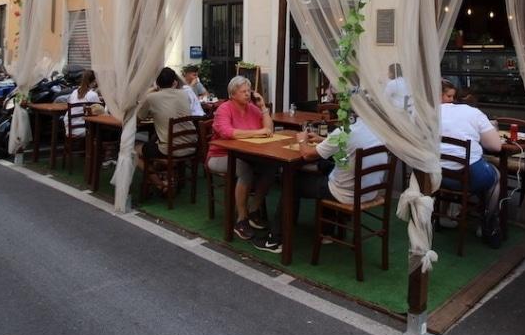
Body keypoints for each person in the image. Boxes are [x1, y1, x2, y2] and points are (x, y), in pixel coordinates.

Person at [253, 116, 386, 253]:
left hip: (346, 194)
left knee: (291, 182)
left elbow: (307, 155)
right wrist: (323, 140)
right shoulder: (377, 131)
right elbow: (348, 144)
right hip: (369, 192)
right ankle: (327, 233)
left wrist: (302, 140)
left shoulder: (345, 131)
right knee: (326, 168)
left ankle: (275, 240)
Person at [208, 76, 276, 240]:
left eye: (248, 91)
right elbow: (227, 132)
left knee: (270, 168)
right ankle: (241, 219)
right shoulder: (224, 109)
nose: (247, 94)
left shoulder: (253, 108)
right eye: (243, 91)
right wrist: (258, 132)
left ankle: (253, 210)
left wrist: (263, 108)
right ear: (233, 94)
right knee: (245, 170)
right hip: (221, 156)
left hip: (248, 155)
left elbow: (269, 129)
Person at [438, 79, 503, 247]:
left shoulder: (430, 112)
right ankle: (487, 222)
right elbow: (496, 146)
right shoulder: (474, 113)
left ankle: (446, 215)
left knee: (458, 165)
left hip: (439, 177)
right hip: (469, 176)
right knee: (496, 176)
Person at [135, 68, 198, 183]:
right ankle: (167, 176)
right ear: (174, 82)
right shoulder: (184, 94)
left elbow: (137, 120)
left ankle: (159, 184)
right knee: (155, 140)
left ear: (157, 83)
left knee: (133, 150)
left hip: (170, 150)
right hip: (191, 145)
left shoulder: (152, 98)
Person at [62, 70, 101, 137]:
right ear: (94, 82)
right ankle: (93, 146)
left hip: (69, 128)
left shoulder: (74, 92)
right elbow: (100, 110)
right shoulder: (93, 95)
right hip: (82, 129)